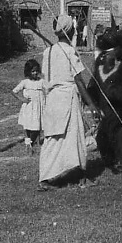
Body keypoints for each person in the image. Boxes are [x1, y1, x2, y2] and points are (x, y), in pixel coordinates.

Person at [38, 14, 98, 191]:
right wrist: (92, 105)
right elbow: (79, 80)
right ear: (71, 30)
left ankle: (50, 177)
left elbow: (45, 78)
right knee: (76, 136)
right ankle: (78, 178)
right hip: (67, 97)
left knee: (53, 137)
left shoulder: (48, 52)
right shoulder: (69, 51)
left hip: (52, 98)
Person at [12, 59, 45, 155]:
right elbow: (13, 91)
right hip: (29, 107)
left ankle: (39, 141)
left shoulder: (41, 81)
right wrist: (22, 99)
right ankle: (28, 142)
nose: (35, 73)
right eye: (32, 71)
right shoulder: (25, 82)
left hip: (38, 107)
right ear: (28, 72)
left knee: (38, 123)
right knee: (27, 124)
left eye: (36, 71)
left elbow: (48, 89)